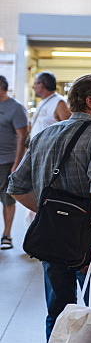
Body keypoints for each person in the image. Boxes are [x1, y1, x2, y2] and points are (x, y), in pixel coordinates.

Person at [8, 73, 91, 340]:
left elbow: (17, 187)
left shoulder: (44, 134)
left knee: (57, 312)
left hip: (50, 238)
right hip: (88, 242)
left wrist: (51, 213)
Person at [0, 75, 28, 250]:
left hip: (6, 161)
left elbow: (22, 138)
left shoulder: (15, 108)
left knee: (7, 199)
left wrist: (16, 164)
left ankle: (7, 235)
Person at [29, 72, 70, 140]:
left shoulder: (59, 103)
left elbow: (70, 129)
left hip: (50, 149)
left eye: (35, 83)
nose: (33, 87)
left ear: (42, 85)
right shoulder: (42, 102)